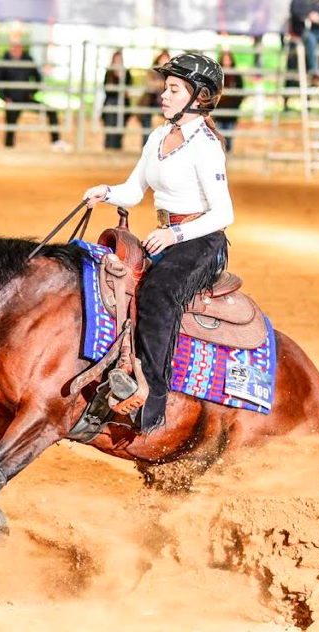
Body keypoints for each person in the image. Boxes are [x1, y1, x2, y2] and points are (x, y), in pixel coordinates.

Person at [82, 53, 233, 434]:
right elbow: (134, 190)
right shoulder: (158, 136)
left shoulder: (206, 146)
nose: (163, 95)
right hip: (165, 237)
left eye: (173, 89)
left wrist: (175, 234)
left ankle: (152, 398)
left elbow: (223, 214)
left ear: (198, 96)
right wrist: (107, 191)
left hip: (201, 241)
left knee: (159, 293)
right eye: (165, 88)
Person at [0, 33, 67, 150]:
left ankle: (56, 141)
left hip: (26, 98)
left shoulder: (28, 59)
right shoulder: (4, 60)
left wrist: (32, 92)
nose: (17, 49)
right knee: (10, 126)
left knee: (51, 111)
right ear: (10, 47)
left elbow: (38, 78)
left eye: (19, 47)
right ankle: (9, 149)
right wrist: (4, 98)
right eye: (14, 47)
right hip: (11, 100)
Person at [290, 0, 319, 82]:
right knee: (311, 40)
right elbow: (295, 14)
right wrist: (308, 16)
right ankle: (314, 71)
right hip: (303, 31)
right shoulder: (297, 2)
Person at [137, 49, 170, 147]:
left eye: (166, 58)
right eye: (163, 58)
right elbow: (149, 84)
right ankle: (146, 147)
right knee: (147, 127)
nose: (164, 60)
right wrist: (163, 84)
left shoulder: (170, 72)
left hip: (164, 103)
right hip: (150, 102)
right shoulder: (153, 70)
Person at [101, 50, 132, 150]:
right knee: (110, 131)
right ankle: (109, 149)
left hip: (123, 104)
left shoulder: (126, 72)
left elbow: (129, 90)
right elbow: (108, 90)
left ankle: (117, 149)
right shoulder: (109, 71)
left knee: (119, 132)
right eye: (116, 58)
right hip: (111, 103)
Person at [217, 50, 242, 152]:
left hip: (232, 111)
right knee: (219, 135)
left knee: (229, 135)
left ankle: (229, 153)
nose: (226, 61)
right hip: (219, 111)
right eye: (224, 59)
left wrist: (236, 105)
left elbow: (241, 92)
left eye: (228, 59)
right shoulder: (218, 75)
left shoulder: (236, 75)